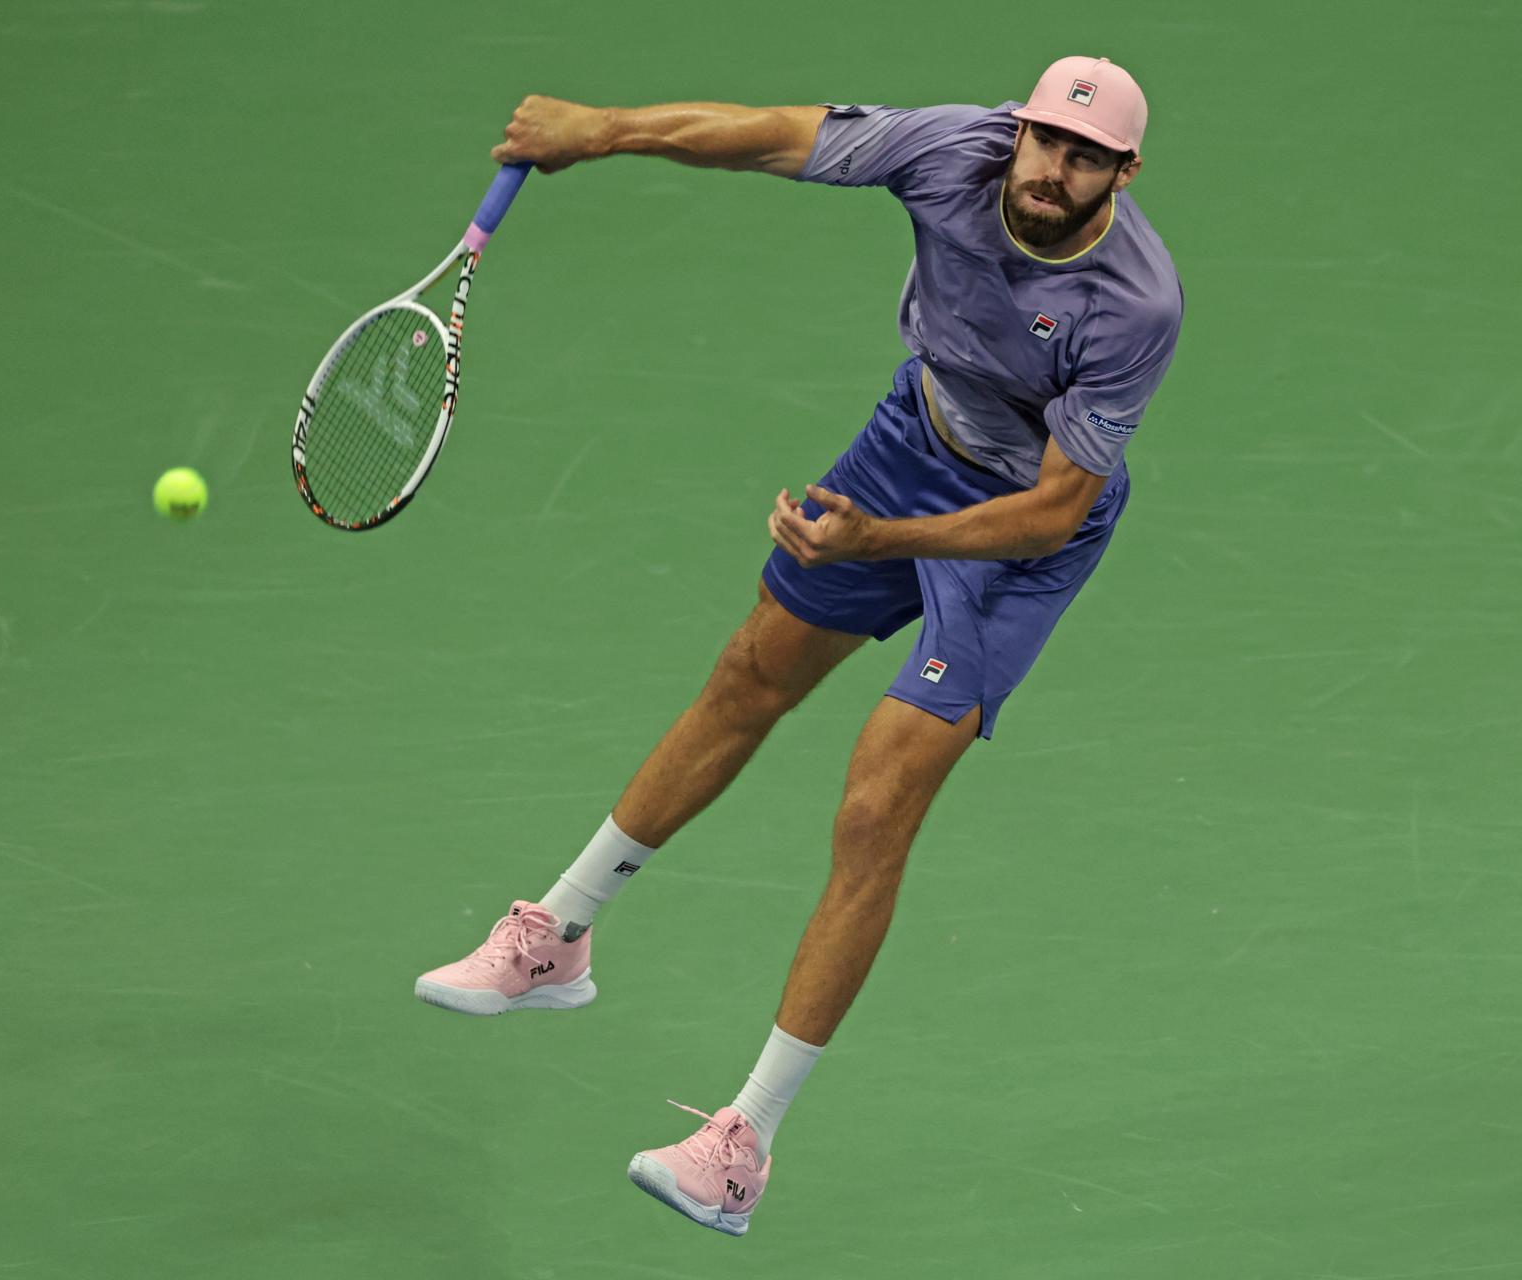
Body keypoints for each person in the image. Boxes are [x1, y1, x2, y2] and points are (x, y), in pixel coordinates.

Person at [415, 55, 1184, 1236]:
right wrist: (603, 127)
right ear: (1016, 130)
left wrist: (884, 536)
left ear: (1123, 173)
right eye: (1042, 139)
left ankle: (741, 1145)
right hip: (911, 440)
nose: (1049, 169)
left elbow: (1053, 509)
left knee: (876, 810)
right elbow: (773, 134)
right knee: (747, 676)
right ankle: (555, 938)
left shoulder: (1134, 302)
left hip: (1022, 534)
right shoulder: (951, 150)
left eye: (1083, 156)